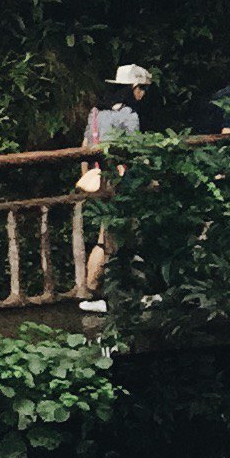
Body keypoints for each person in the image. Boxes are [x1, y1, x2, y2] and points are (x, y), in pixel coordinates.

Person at [77, 63, 150, 314]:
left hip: (98, 180)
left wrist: (86, 176)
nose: (143, 94)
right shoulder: (129, 115)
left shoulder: (96, 113)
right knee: (123, 236)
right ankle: (119, 295)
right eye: (142, 89)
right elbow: (135, 151)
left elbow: (86, 146)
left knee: (103, 236)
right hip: (120, 182)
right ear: (133, 88)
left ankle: (93, 291)